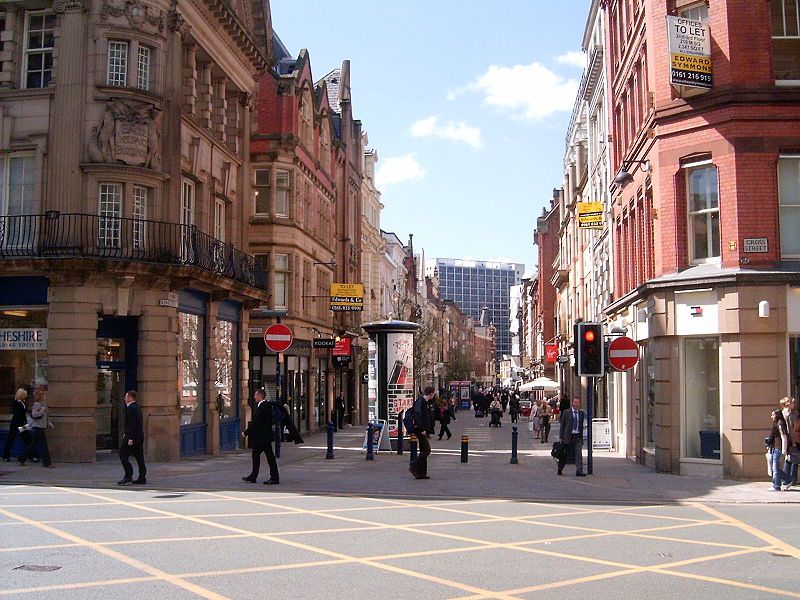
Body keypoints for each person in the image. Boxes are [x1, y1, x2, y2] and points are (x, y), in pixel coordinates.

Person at [242, 389, 279, 484]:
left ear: (260, 396)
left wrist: (246, 432)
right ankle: (271, 477)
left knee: (258, 454)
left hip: (263, 437)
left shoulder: (263, 407)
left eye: (255, 395)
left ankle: (257, 476)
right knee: (268, 456)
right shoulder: (265, 406)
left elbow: (256, 422)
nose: (254, 397)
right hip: (265, 436)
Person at [18, 390, 53, 468]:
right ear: (41, 396)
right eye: (44, 396)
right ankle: (47, 463)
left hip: (41, 426)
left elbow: (46, 417)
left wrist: (49, 424)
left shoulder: (44, 404)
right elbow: (34, 415)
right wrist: (42, 411)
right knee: (44, 445)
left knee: (32, 444)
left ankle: (21, 458)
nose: (45, 397)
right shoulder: (36, 405)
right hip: (38, 427)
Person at [118, 390, 146, 485]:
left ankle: (128, 476)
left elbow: (133, 424)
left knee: (122, 454)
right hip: (138, 436)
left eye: (126, 397)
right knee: (139, 457)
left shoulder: (131, 408)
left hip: (132, 436)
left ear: (130, 397)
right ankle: (142, 477)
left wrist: (130, 438)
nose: (124, 399)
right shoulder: (137, 407)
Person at [409, 386, 435, 479]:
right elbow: (418, 416)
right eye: (433, 393)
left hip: (424, 430)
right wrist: (422, 429)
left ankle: (421, 472)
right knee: (427, 450)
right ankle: (414, 466)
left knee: (423, 450)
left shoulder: (426, 402)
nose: (434, 395)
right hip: (420, 430)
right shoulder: (421, 402)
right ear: (431, 393)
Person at [558, 397, 586, 477]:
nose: (576, 404)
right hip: (568, 436)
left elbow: (581, 425)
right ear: (572, 403)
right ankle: (560, 468)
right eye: (575, 403)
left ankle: (579, 471)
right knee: (565, 454)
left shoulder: (581, 413)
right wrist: (561, 437)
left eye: (578, 403)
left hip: (577, 436)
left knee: (578, 454)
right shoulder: (566, 412)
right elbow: (562, 425)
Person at [767, 408, 793, 491]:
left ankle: (777, 485)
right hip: (775, 447)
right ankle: (788, 479)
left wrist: (784, 449)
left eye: (773, 415)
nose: (771, 417)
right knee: (776, 468)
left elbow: (783, 437)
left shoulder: (780, 423)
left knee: (775, 468)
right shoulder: (776, 423)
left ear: (777, 415)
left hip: (779, 448)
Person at [3, 388, 29, 462]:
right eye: (24, 395)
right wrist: (21, 424)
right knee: (11, 439)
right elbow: (16, 414)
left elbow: (23, 414)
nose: (26, 396)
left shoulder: (23, 403)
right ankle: (6, 456)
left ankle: (30, 455)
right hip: (16, 424)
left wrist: (25, 423)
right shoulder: (15, 403)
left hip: (22, 424)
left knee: (27, 439)